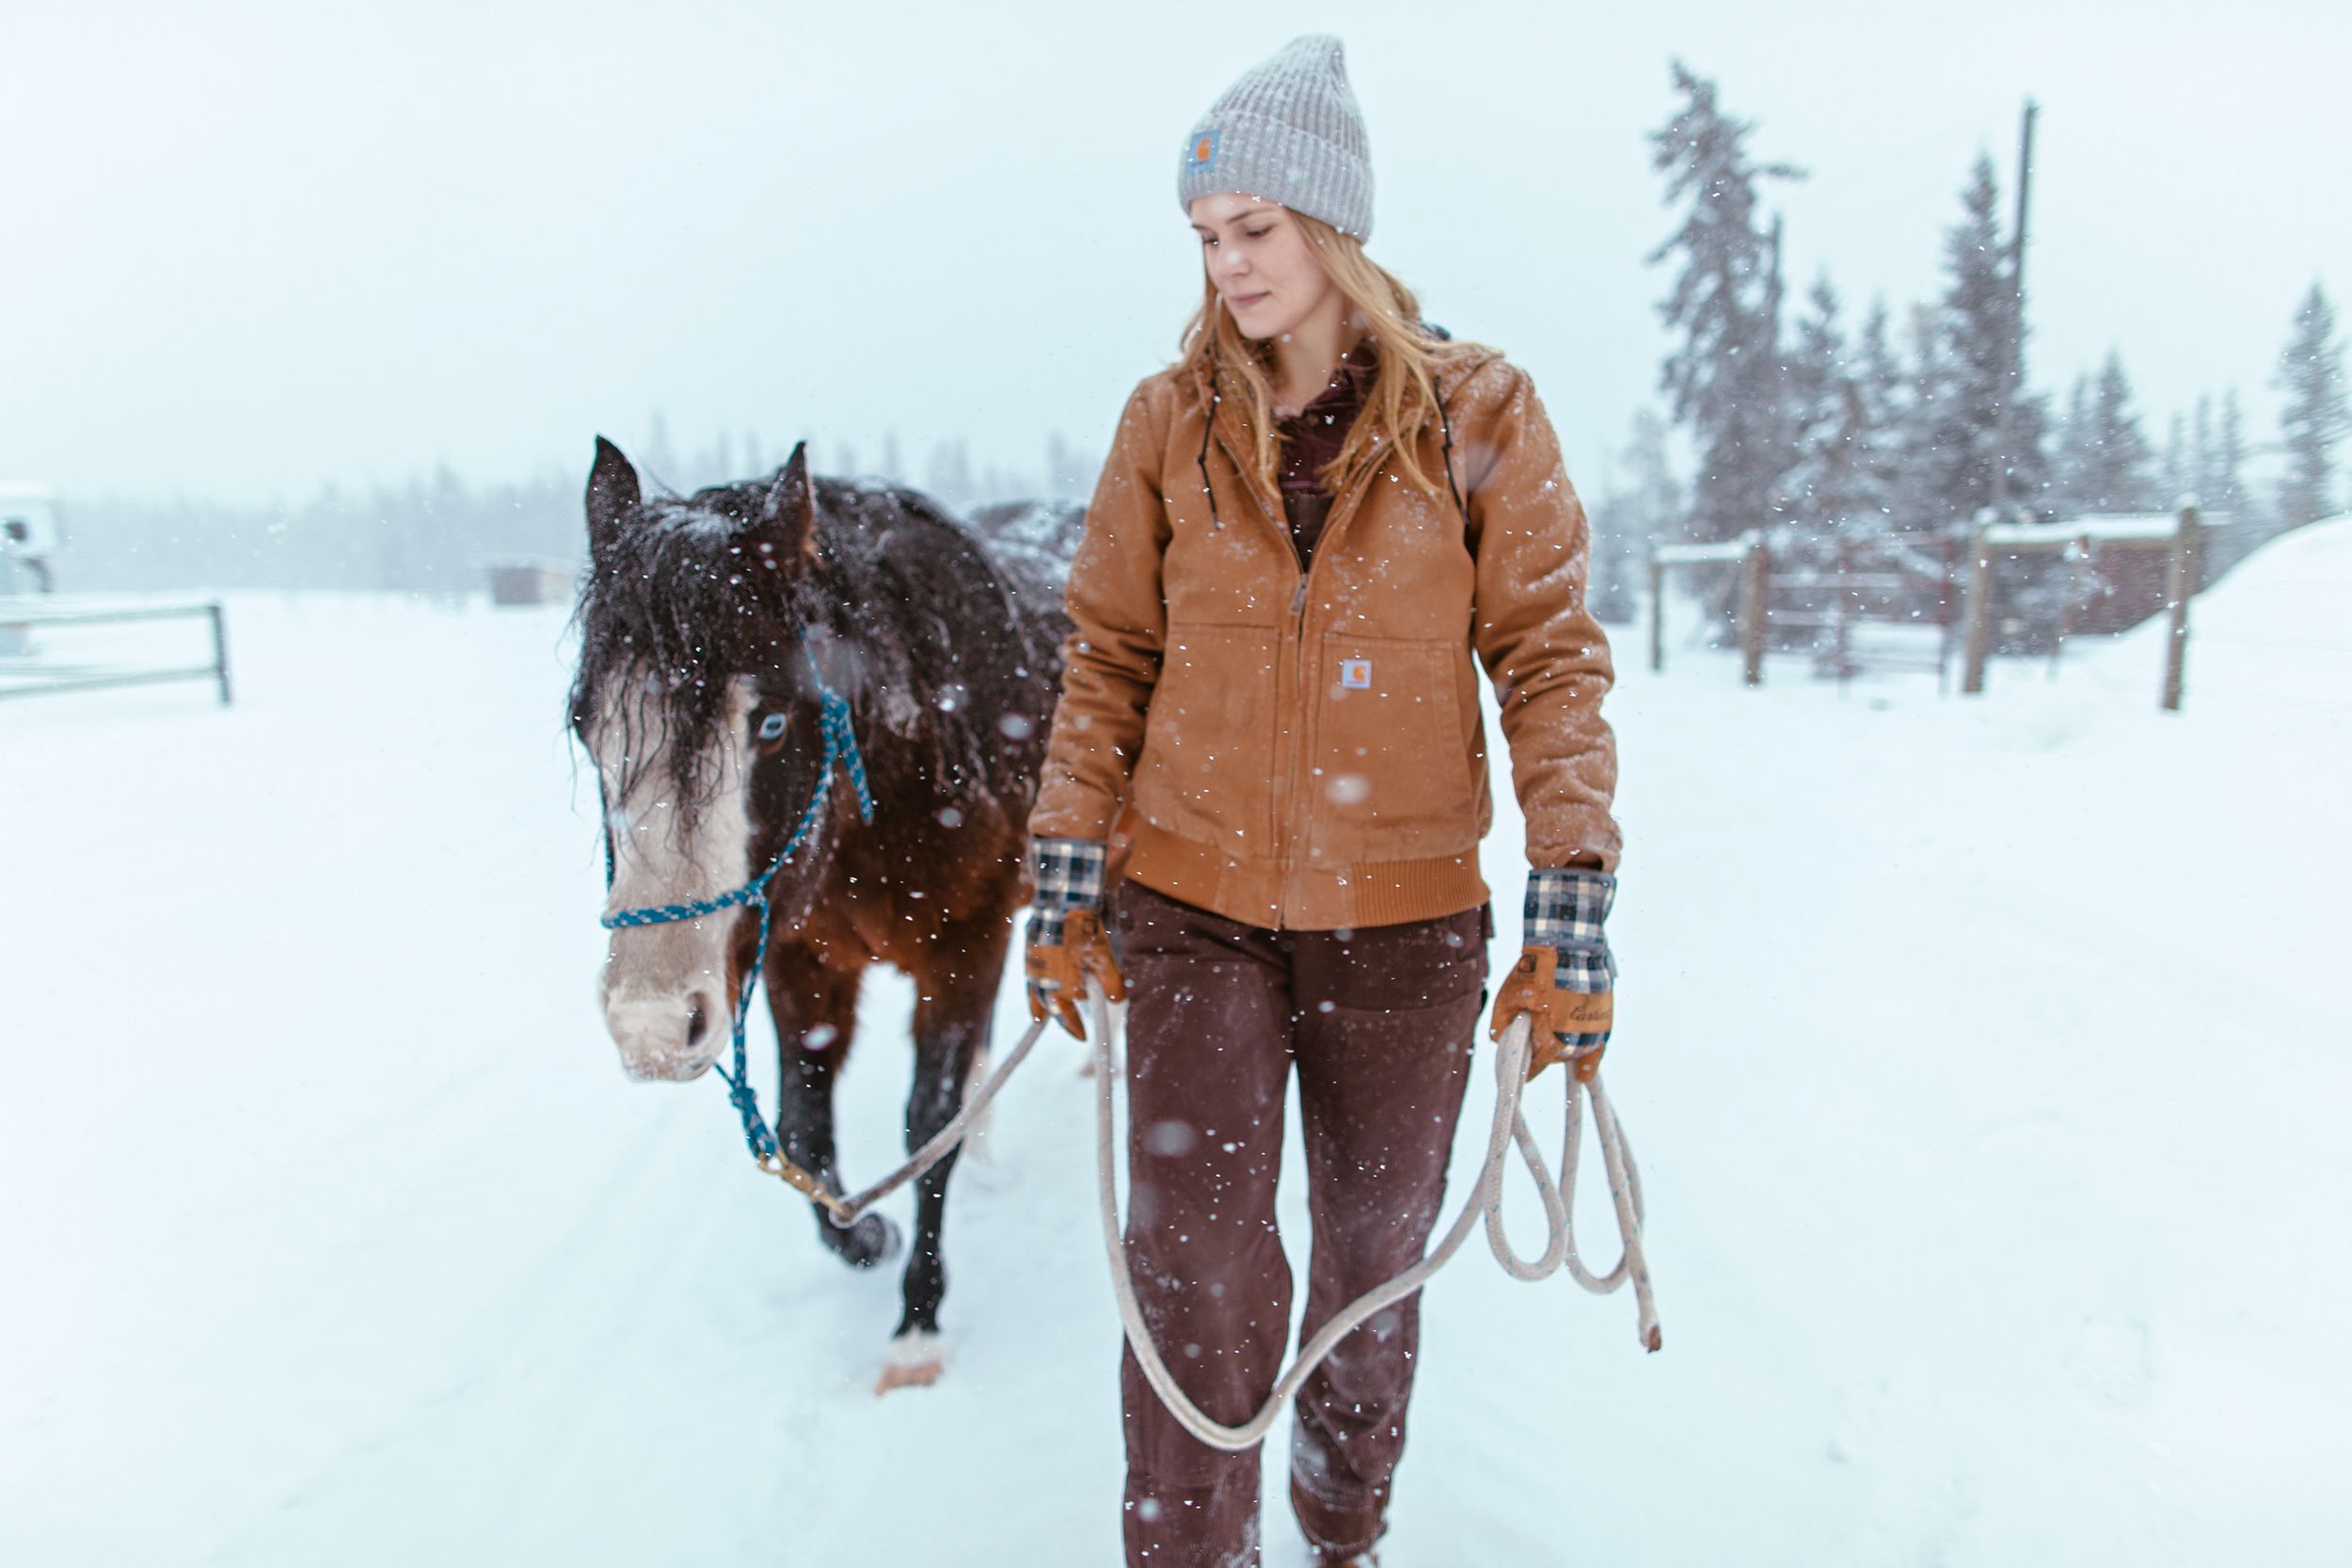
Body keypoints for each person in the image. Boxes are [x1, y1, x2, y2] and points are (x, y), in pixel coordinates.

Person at [1023, 35, 1622, 1568]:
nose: (1228, 265)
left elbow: (1548, 659)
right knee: (1194, 1271)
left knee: (1371, 1268)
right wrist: (1065, 879)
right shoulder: (1169, 425)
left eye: (1255, 231)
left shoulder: (1477, 415)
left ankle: (1340, 1532)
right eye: (1207, 238)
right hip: (1194, 912)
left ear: (1334, 225)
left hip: (1405, 931)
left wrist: (1573, 908)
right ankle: (1189, 1549)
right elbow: (1108, 661)